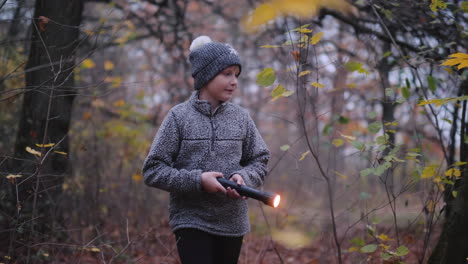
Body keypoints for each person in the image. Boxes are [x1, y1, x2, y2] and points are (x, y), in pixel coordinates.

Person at [142, 35, 270, 264]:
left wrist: (244, 177)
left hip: (232, 223)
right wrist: (198, 180)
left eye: (236, 75)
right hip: (191, 221)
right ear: (206, 76)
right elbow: (153, 170)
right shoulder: (178, 117)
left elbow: (260, 159)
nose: (234, 82)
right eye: (227, 74)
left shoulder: (241, 118)